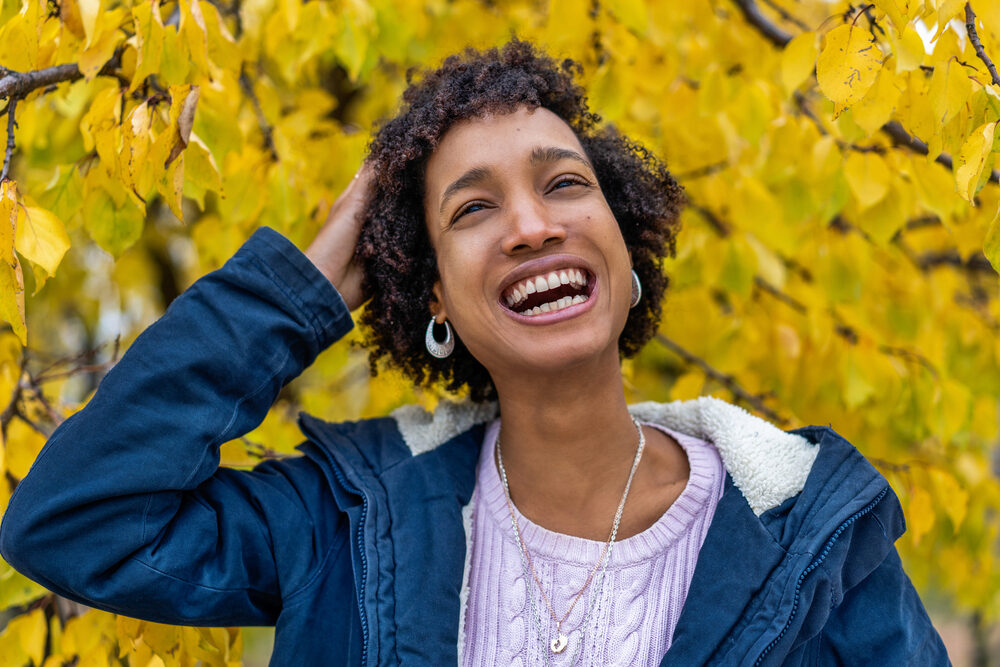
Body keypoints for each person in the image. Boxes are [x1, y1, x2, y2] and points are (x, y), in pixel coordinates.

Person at [1, 41, 949, 666]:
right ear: (434, 298)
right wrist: (304, 293)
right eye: (473, 207)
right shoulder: (344, 521)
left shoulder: (818, 536)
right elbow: (77, 519)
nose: (533, 226)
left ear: (628, 250)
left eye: (565, 184)